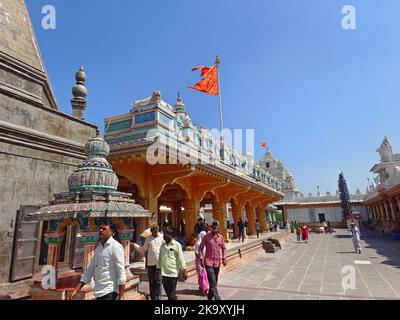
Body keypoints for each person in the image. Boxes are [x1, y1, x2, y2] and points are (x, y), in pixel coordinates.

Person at [68, 219, 126, 300]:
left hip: (110, 291)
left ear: (112, 231)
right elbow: (90, 271)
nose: (101, 231)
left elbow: (121, 272)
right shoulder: (99, 247)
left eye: (104, 229)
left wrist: (121, 296)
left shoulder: (116, 247)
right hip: (98, 292)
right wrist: (76, 289)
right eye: (100, 228)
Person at [133, 224, 164, 300]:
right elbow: (143, 249)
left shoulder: (162, 237)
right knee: (152, 281)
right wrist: (135, 245)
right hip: (150, 264)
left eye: (156, 231)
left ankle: (158, 298)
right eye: (153, 232)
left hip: (160, 263)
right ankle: (153, 297)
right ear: (151, 231)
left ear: (158, 230)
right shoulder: (148, 239)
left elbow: (165, 248)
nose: (155, 233)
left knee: (159, 281)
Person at [199, 221, 227, 300]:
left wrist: (224, 257)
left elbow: (224, 248)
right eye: (213, 226)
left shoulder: (221, 237)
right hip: (208, 262)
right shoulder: (206, 237)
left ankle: (209, 297)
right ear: (211, 227)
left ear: (218, 227)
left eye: (216, 226)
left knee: (214, 282)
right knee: (212, 281)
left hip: (217, 262)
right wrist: (201, 258)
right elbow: (200, 248)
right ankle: (217, 298)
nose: (214, 228)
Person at [156, 227, 187, 300]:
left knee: (171, 295)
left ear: (170, 235)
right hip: (164, 274)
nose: (163, 236)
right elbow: (160, 259)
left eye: (165, 235)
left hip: (173, 274)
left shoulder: (177, 245)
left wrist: (184, 271)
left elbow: (181, 259)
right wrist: (158, 270)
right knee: (169, 293)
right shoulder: (162, 246)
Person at [194, 231, 209, 295]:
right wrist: (201, 259)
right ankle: (203, 288)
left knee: (205, 275)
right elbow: (196, 253)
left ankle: (204, 287)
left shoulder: (206, 243)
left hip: (205, 261)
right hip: (200, 261)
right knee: (202, 275)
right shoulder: (198, 243)